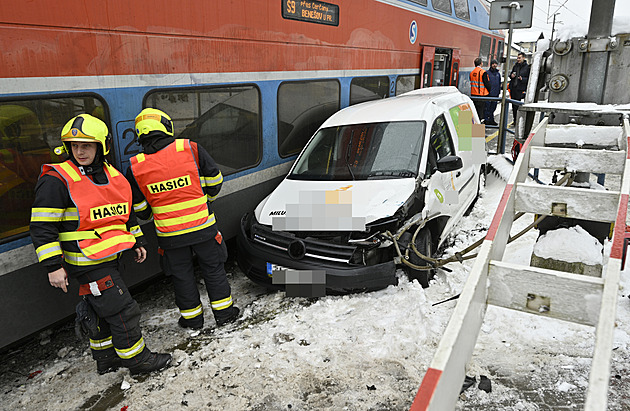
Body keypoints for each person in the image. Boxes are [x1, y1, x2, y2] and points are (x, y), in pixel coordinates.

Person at [30, 114, 171, 376]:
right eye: (74, 145)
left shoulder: (113, 175)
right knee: (123, 310)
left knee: (98, 312)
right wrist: (52, 266)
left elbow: (124, 213)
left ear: (101, 146)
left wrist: (136, 240)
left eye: (87, 145)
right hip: (86, 262)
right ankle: (138, 360)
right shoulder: (57, 179)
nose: (80, 151)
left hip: (108, 258)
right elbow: (42, 226)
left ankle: (106, 358)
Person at [126, 108, 240, 330]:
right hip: (203, 228)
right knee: (214, 269)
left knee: (182, 277)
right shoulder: (190, 148)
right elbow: (215, 180)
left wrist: (154, 212)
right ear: (166, 127)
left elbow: (140, 209)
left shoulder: (135, 166)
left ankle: (192, 320)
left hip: (169, 236)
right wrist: (205, 199)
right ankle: (225, 314)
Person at [509, 52, 530, 121]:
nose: (518, 59)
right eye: (517, 58)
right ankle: (515, 119)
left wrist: (522, 79)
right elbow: (511, 74)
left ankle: (519, 120)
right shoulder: (515, 66)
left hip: (520, 89)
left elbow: (529, 79)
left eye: (519, 58)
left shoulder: (527, 67)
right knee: (513, 105)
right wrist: (511, 76)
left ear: (523, 58)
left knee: (518, 105)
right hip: (513, 88)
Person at [469, 58, 490, 122]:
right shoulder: (483, 72)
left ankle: (470, 129)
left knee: (474, 113)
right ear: (481, 63)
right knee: (480, 115)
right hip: (481, 95)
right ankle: (477, 131)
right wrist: (489, 91)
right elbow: (487, 84)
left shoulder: (472, 73)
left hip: (473, 95)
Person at [484, 59, 501, 126]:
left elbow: (499, 83)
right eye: (493, 63)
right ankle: (486, 120)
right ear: (491, 64)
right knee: (487, 108)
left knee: (493, 108)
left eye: (495, 63)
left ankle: (491, 119)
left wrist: (498, 92)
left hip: (495, 94)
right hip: (488, 94)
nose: (494, 65)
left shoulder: (498, 74)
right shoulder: (487, 73)